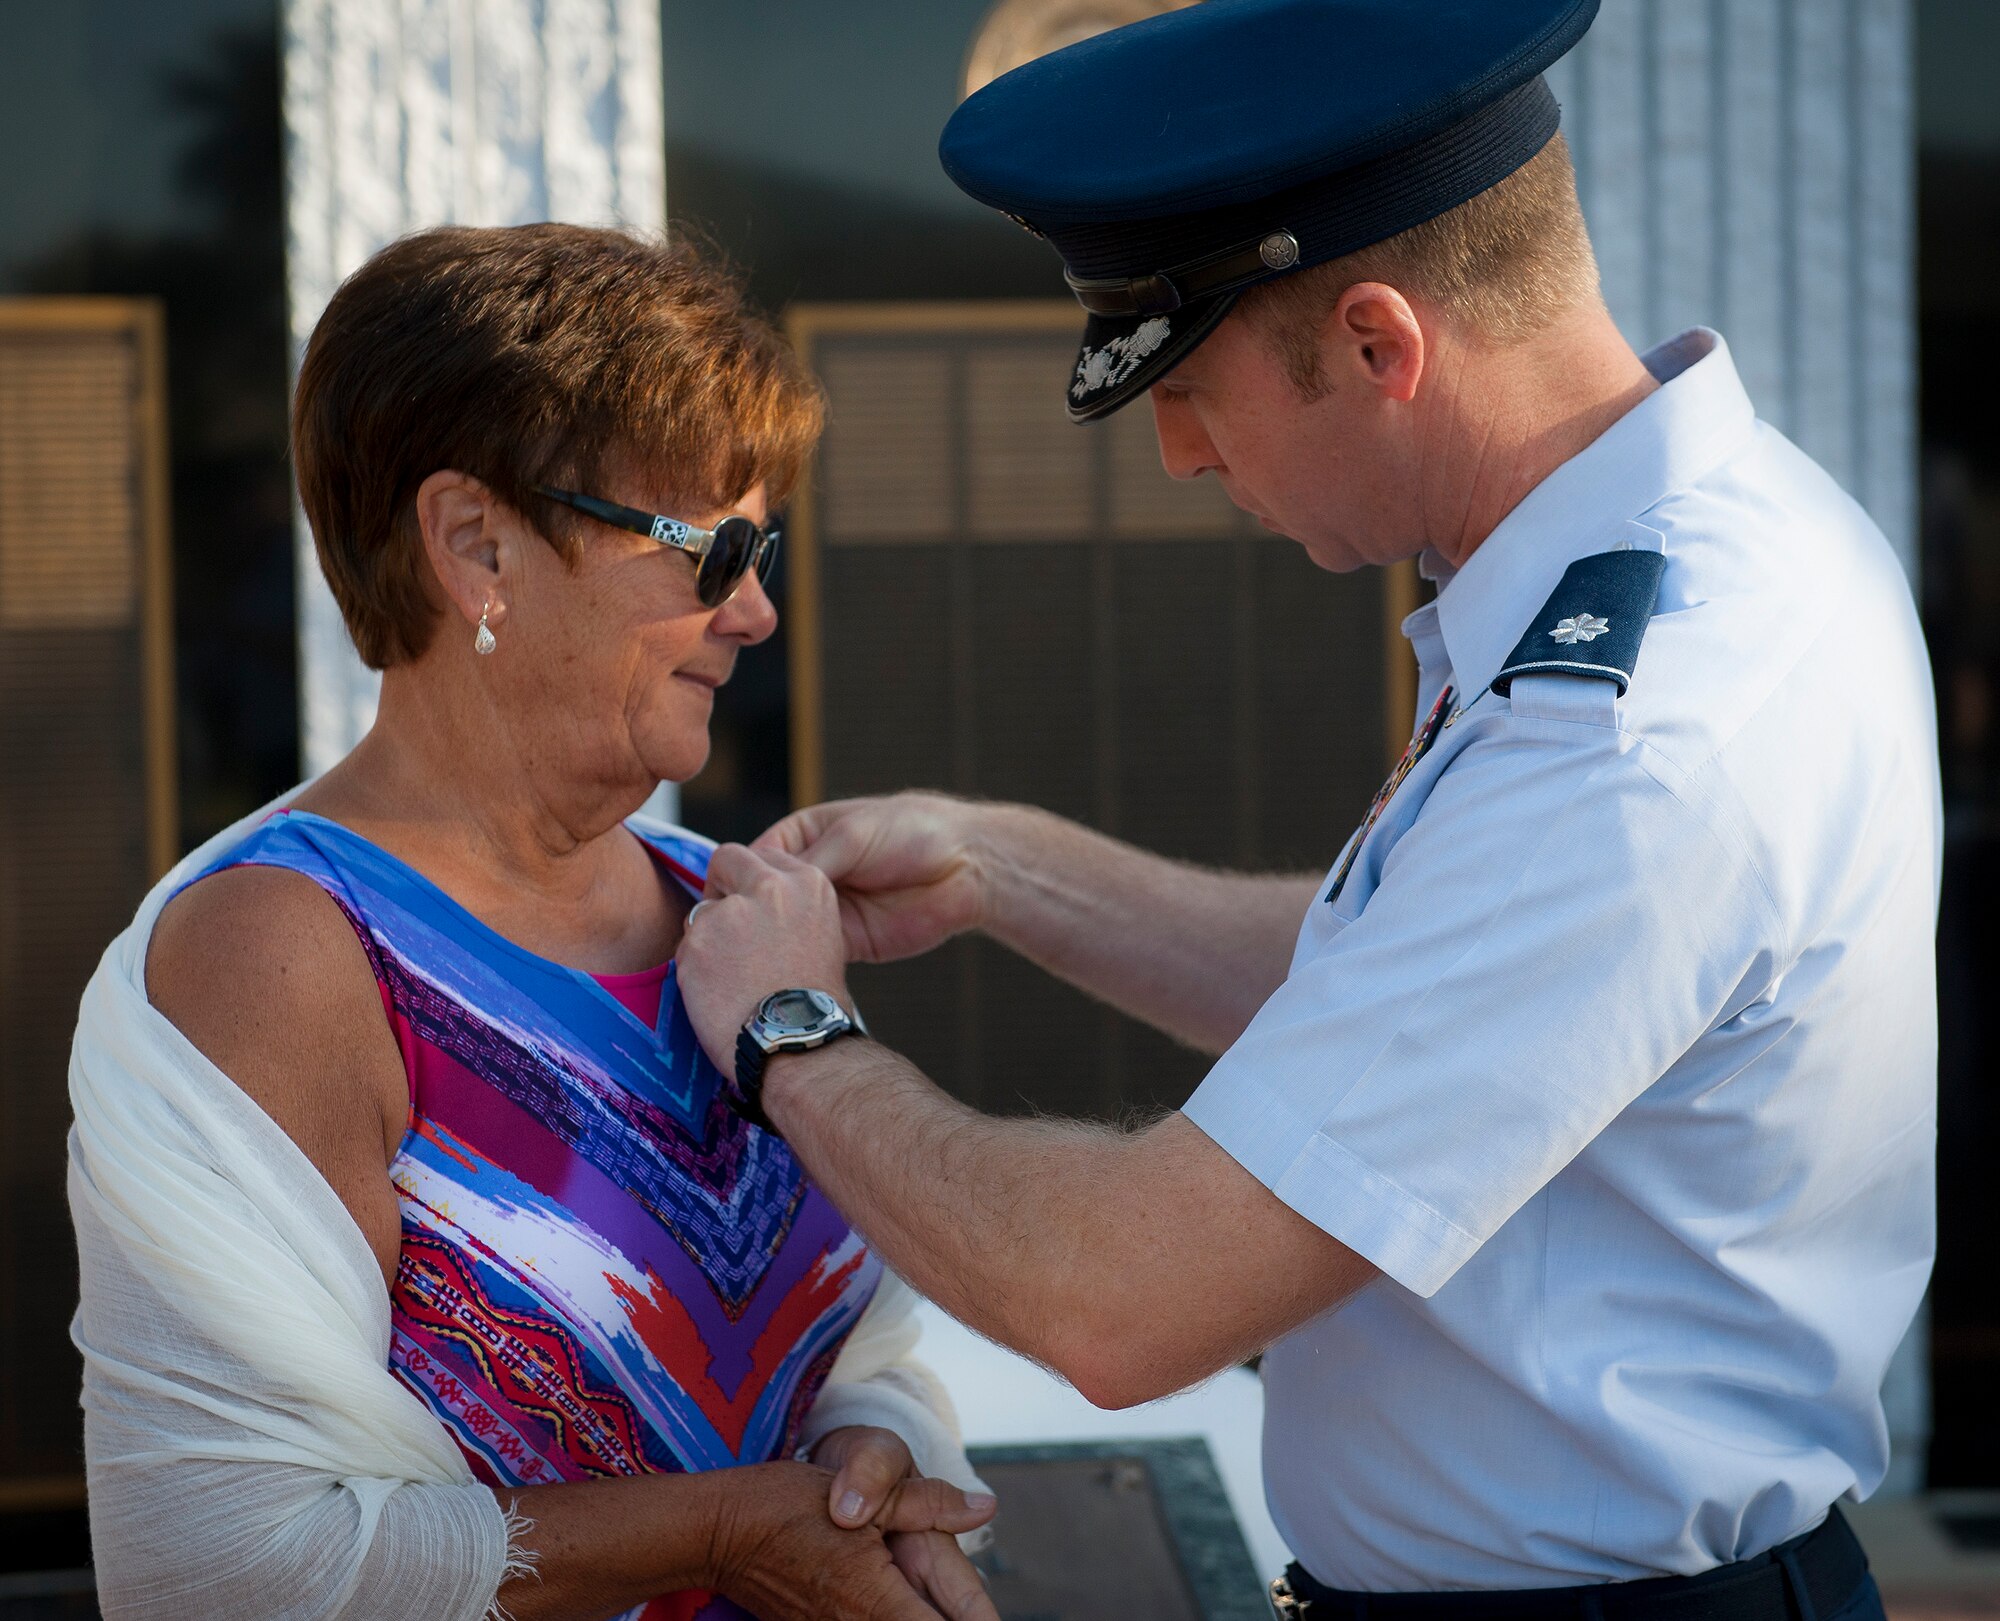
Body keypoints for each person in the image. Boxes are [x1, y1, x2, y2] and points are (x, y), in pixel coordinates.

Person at [671, 3, 1940, 1619]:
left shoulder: (1637, 734)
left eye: (1191, 386)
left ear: (1376, 344)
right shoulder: (1708, 549)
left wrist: (789, 1032)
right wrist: (1002, 866)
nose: (1180, 456)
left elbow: (1120, 1300)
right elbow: (1417, 993)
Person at [67, 224, 999, 1621]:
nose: (756, 610)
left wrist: (873, 1456)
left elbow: (866, 1354)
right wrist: (729, 1532)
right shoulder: (281, 950)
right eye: (715, 550)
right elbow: (221, 1567)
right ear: (477, 545)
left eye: (764, 547)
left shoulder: (733, 913)